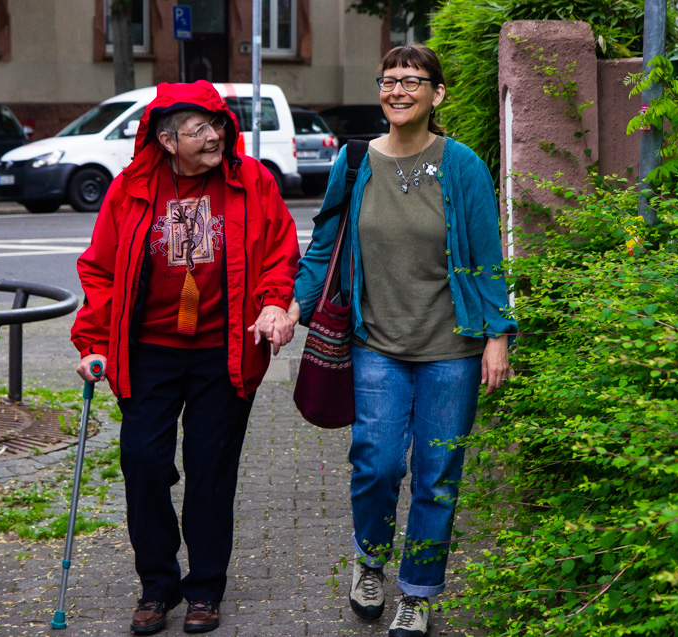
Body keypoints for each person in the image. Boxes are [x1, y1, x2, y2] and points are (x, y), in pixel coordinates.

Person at [292, 44, 516, 637]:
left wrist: (498, 335)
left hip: (453, 348)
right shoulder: (356, 160)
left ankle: (417, 591)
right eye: (389, 80)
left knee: (438, 473)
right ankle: (370, 563)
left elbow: (489, 257)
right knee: (378, 463)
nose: (398, 90)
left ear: (436, 95)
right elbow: (325, 244)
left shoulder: (462, 164)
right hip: (376, 345)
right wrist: (291, 306)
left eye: (412, 81)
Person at [71, 80, 300, 635]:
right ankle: (157, 583)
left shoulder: (252, 182)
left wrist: (274, 306)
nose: (214, 137)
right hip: (147, 350)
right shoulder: (131, 189)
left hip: (223, 351)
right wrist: (93, 342)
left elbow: (279, 252)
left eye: (218, 125)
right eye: (199, 130)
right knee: (143, 463)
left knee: (210, 472)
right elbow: (100, 269)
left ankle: (204, 589)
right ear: (168, 140)